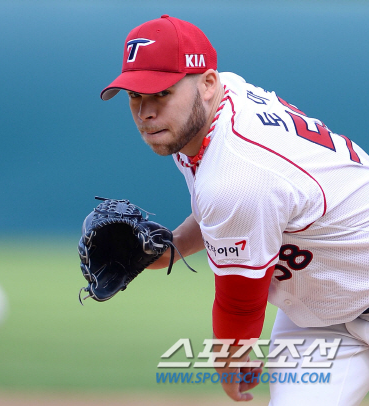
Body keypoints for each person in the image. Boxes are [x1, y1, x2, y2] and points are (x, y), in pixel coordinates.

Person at [100, 15, 369, 405]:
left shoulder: (238, 169)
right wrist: (174, 246)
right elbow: (237, 211)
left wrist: (230, 361)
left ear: (208, 83)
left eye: (162, 92)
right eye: (135, 95)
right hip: (323, 315)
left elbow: (239, 304)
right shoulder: (210, 112)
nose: (146, 112)